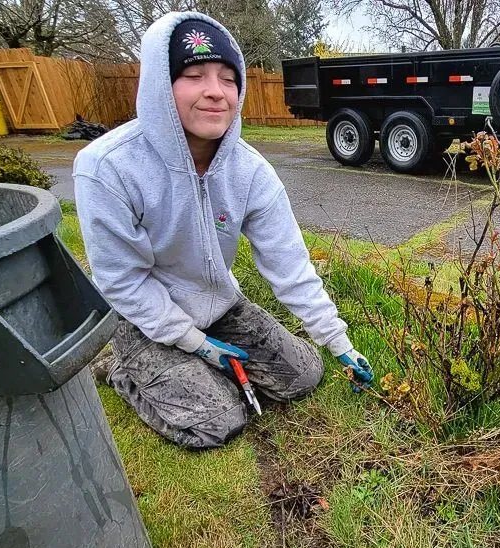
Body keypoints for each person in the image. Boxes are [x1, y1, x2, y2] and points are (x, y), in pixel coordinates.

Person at [73, 12, 372, 449]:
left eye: (228, 79)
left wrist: (339, 342)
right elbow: (121, 279)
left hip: (219, 306)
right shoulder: (108, 168)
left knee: (303, 376)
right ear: (160, 84)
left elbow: (289, 263)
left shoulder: (250, 170)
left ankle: (188, 367)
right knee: (217, 420)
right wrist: (195, 344)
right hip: (142, 318)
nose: (215, 91)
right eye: (194, 75)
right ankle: (122, 368)